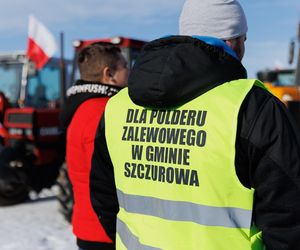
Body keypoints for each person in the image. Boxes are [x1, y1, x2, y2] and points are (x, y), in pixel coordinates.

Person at [90, 0, 300, 249]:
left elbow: (103, 197)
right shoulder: (252, 107)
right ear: (233, 40)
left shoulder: (118, 107)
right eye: (244, 38)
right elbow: (288, 217)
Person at [60, 42, 129, 250]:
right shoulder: (106, 112)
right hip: (107, 234)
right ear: (109, 74)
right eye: (125, 65)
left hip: (88, 228)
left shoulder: (79, 108)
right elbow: (105, 181)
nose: (130, 71)